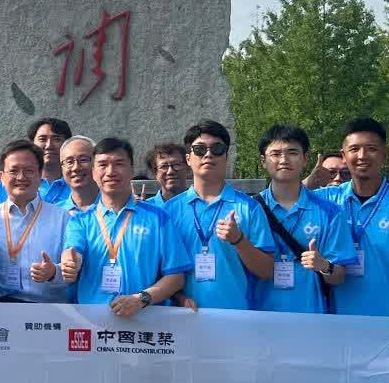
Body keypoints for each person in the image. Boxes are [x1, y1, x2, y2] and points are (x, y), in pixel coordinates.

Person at [313, 118, 389, 320]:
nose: (362, 156)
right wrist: (309, 180)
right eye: (354, 149)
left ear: (384, 154)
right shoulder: (326, 201)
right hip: (334, 322)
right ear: (344, 155)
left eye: (371, 149)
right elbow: (283, 200)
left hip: (388, 322)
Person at [58, 138, 189, 315]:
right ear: (94, 172)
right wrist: (70, 263)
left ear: (131, 170)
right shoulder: (80, 221)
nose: (110, 172)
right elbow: (73, 251)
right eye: (103, 165)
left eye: (119, 164)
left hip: (145, 321)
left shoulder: (158, 218)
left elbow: (176, 277)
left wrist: (140, 299)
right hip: (92, 322)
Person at [168, 120, 272, 312]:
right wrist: (179, 297)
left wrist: (239, 240)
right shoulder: (169, 211)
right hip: (183, 317)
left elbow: (267, 270)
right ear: (188, 158)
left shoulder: (249, 208)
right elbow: (157, 271)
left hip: (234, 317)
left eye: (217, 149)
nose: (208, 154)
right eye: (200, 149)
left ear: (226, 156)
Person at [247, 125, 350, 315]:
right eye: (275, 154)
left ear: (306, 159)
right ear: (263, 161)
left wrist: (324, 266)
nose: (284, 160)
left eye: (292, 152)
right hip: (259, 317)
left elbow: (340, 277)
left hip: (310, 317)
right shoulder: (249, 210)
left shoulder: (330, 212)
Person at [0, 140, 74, 303]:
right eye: (14, 171)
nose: (21, 177)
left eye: (29, 171)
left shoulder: (63, 219)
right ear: (2, 177)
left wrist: (54, 272)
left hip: (50, 312)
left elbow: (74, 271)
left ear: (40, 175)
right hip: (0, 309)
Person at [29, 117, 74, 205]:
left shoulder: (80, 183)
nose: (49, 145)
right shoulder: (18, 183)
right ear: (32, 144)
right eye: (42, 139)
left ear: (67, 144)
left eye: (56, 139)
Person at [60, 136, 100, 214]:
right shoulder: (55, 213)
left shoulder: (115, 207)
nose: (76, 168)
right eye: (69, 162)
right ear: (62, 168)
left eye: (83, 160)